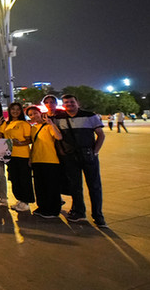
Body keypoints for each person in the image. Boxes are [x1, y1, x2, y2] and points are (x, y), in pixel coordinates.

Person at [55, 94, 107, 227]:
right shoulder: (59, 118)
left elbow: (100, 135)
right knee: (75, 186)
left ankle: (98, 215)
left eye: (72, 102)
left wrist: (95, 152)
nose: (69, 104)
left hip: (88, 156)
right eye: (66, 102)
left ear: (77, 102)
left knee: (94, 186)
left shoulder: (89, 115)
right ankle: (79, 211)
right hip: (70, 157)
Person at [25, 106, 63, 218]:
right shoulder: (33, 128)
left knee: (51, 186)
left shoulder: (49, 126)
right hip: (37, 160)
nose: (33, 116)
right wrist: (31, 158)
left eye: (35, 113)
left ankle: (53, 210)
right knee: (39, 186)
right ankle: (42, 207)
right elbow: (34, 144)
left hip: (50, 160)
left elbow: (59, 137)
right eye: (31, 115)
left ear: (40, 113)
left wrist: (51, 124)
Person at [0, 102, 34, 212]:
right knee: (14, 179)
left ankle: (26, 201)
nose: (15, 111)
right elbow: (0, 136)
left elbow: (30, 139)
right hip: (10, 155)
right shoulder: (7, 123)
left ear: (21, 111)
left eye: (17, 109)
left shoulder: (24, 124)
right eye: (13, 109)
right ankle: (19, 199)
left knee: (24, 179)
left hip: (22, 155)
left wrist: (21, 143)